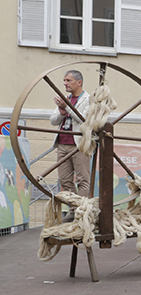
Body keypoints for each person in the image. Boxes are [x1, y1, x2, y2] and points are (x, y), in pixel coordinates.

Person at [49, 69, 91, 198]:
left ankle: (82, 211)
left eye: (69, 80)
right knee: (64, 180)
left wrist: (66, 107)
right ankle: (74, 209)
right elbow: (53, 121)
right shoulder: (66, 99)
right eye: (64, 80)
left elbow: (84, 119)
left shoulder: (88, 99)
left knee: (83, 180)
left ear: (79, 82)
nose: (65, 83)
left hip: (79, 145)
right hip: (62, 143)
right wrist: (62, 111)